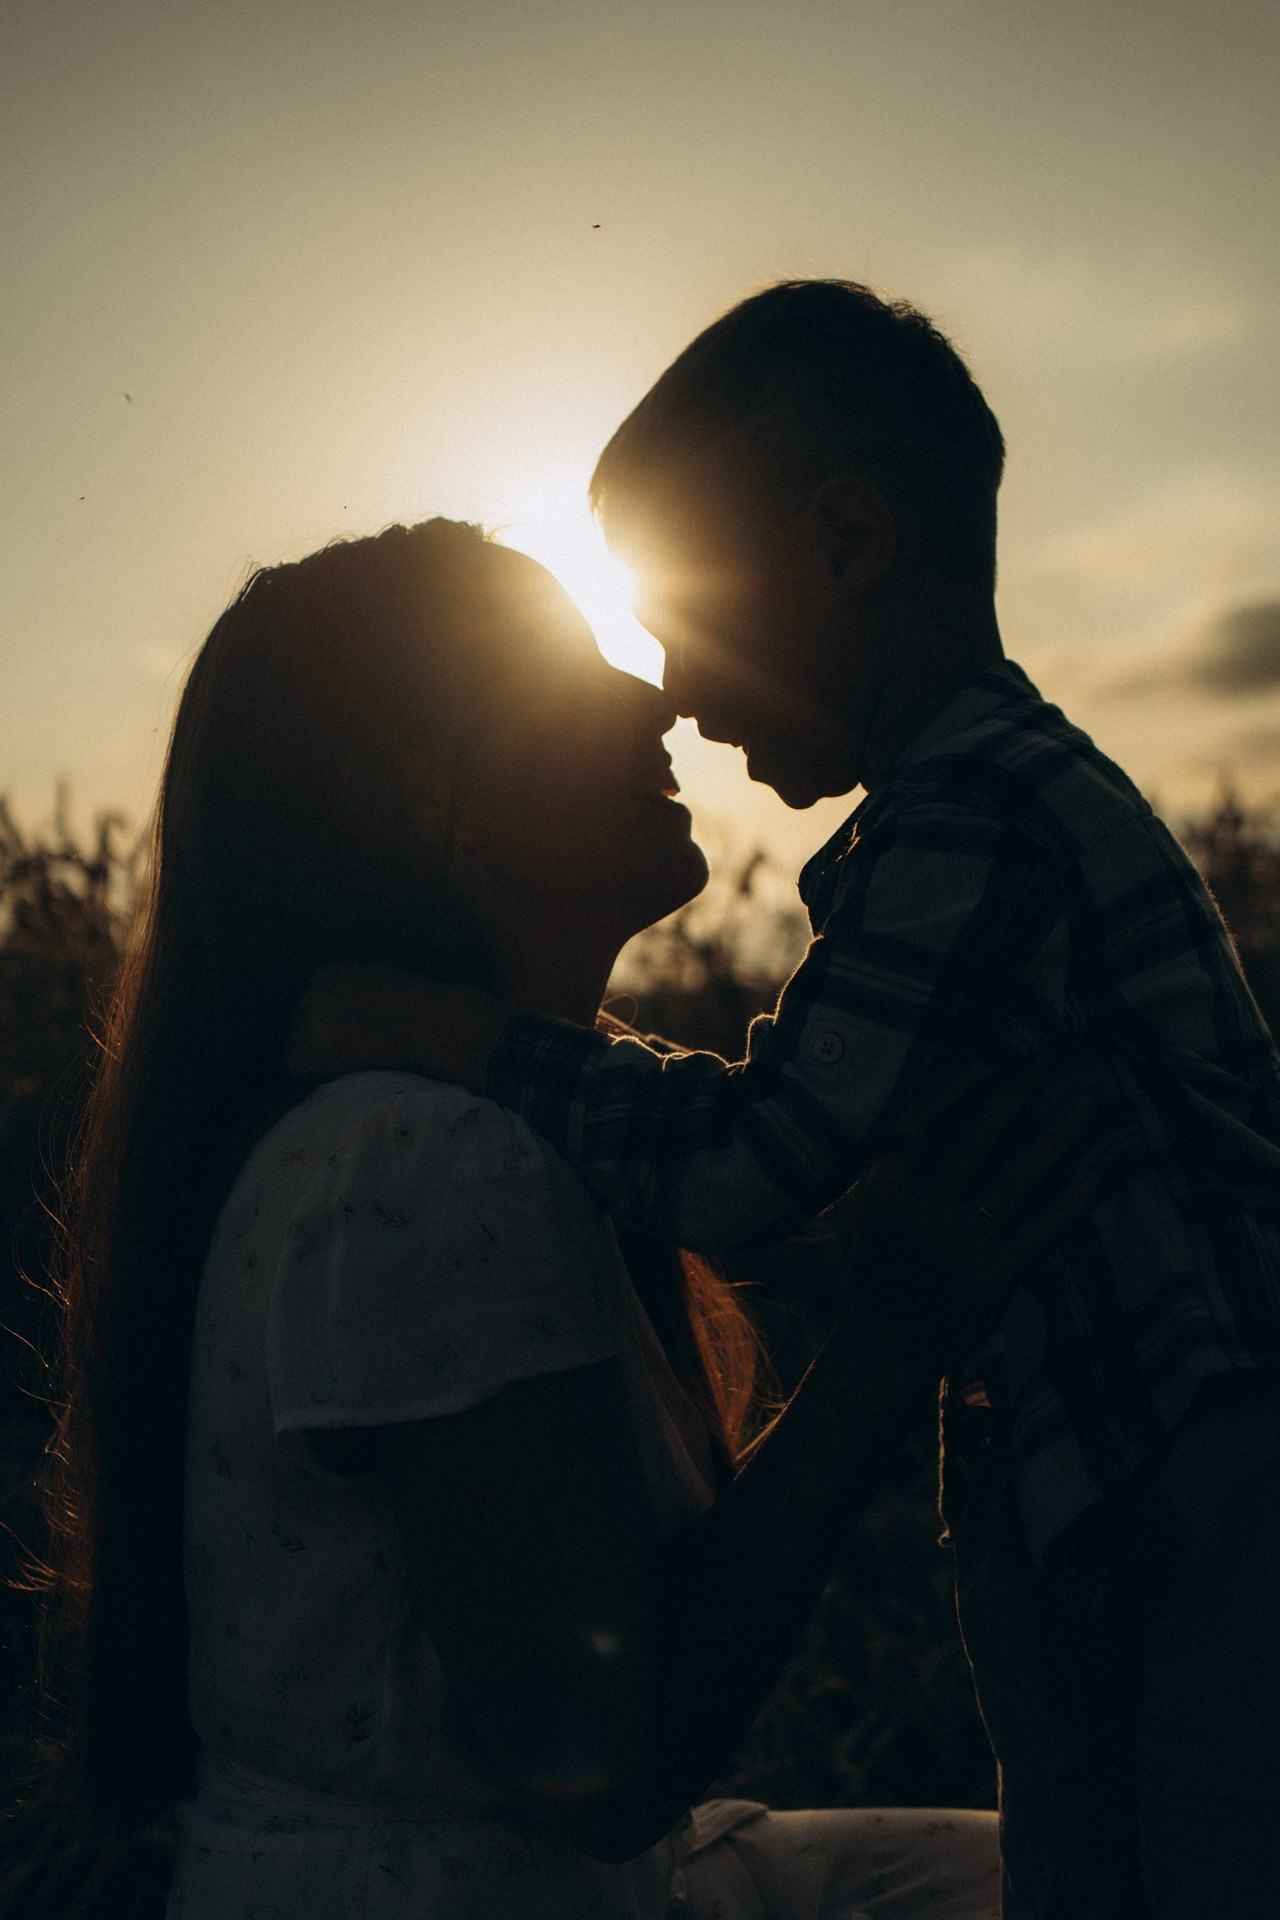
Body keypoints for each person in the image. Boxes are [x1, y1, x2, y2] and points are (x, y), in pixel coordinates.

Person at [296, 285, 1280, 1918]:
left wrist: (474, 1039)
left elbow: (755, 1161)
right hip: (1111, 1481)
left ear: (844, 546)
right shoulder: (971, 815)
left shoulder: (978, 820)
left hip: (1210, 1493)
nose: (671, 688)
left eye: (684, 615)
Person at [31, 517, 1093, 1920]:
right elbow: (609, 1769)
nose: (653, 693)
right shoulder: (422, 1165)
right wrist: (890, 1344)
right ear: (427, 791)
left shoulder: (487, 1124)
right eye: (568, 664)